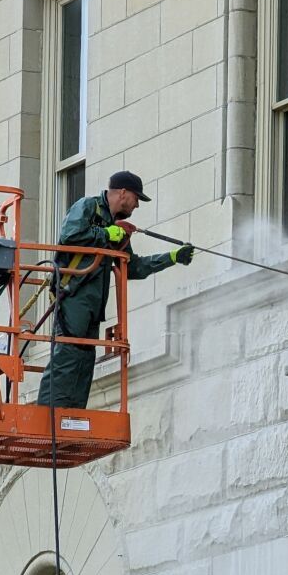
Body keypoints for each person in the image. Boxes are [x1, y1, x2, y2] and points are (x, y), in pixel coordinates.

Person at [36, 171, 194, 409]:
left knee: (85, 358)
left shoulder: (117, 227)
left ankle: (72, 415)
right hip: (74, 294)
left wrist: (171, 257)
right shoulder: (88, 207)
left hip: (94, 304)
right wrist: (104, 234)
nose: (137, 205)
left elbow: (133, 267)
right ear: (122, 193)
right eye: (136, 198)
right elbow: (69, 236)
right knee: (68, 354)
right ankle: (47, 415)